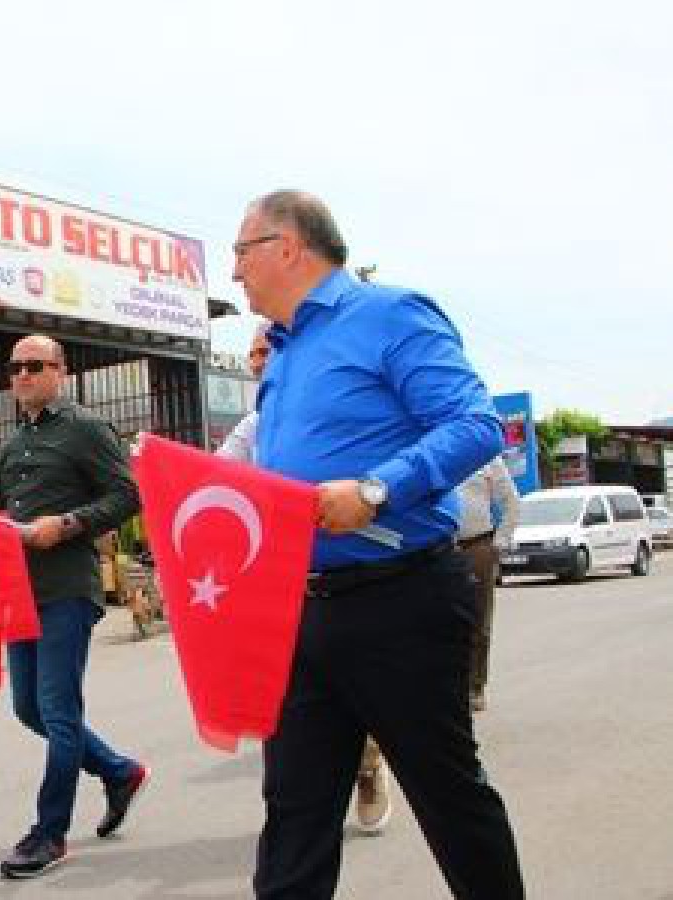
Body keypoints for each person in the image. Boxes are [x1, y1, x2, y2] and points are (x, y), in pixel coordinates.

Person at [233, 190, 525, 898]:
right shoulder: (283, 353)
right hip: (302, 612)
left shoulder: (389, 315)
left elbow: (474, 424)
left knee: (448, 797)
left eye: (240, 253)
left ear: (287, 246)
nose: (235, 273)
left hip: (400, 600)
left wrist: (374, 491)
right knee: (295, 810)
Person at [218, 324, 393, 837]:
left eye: (265, 351)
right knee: (291, 703)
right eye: (250, 354)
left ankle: (367, 766)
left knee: (351, 690)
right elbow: (218, 474)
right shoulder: (253, 425)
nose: (257, 362)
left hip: (344, 576)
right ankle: (300, 818)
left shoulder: (328, 415)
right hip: (276, 582)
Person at [0, 334, 148, 879]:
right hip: (18, 592)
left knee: (58, 711)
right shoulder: (10, 448)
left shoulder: (86, 428)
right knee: (28, 710)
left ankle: (48, 834)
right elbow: (6, 518)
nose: (22, 376)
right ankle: (118, 770)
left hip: (66, 589)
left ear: (61, 371)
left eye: (34, 366)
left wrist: (69, 524)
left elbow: (129, 496)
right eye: (13, 368)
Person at [456, 455, 521, 713]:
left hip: (477, 546)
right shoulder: (430, 449)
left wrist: (499, 544)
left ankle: (474, 686)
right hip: (436, 549)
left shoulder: (486, 458)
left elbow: (512, 502)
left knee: (478, 619)